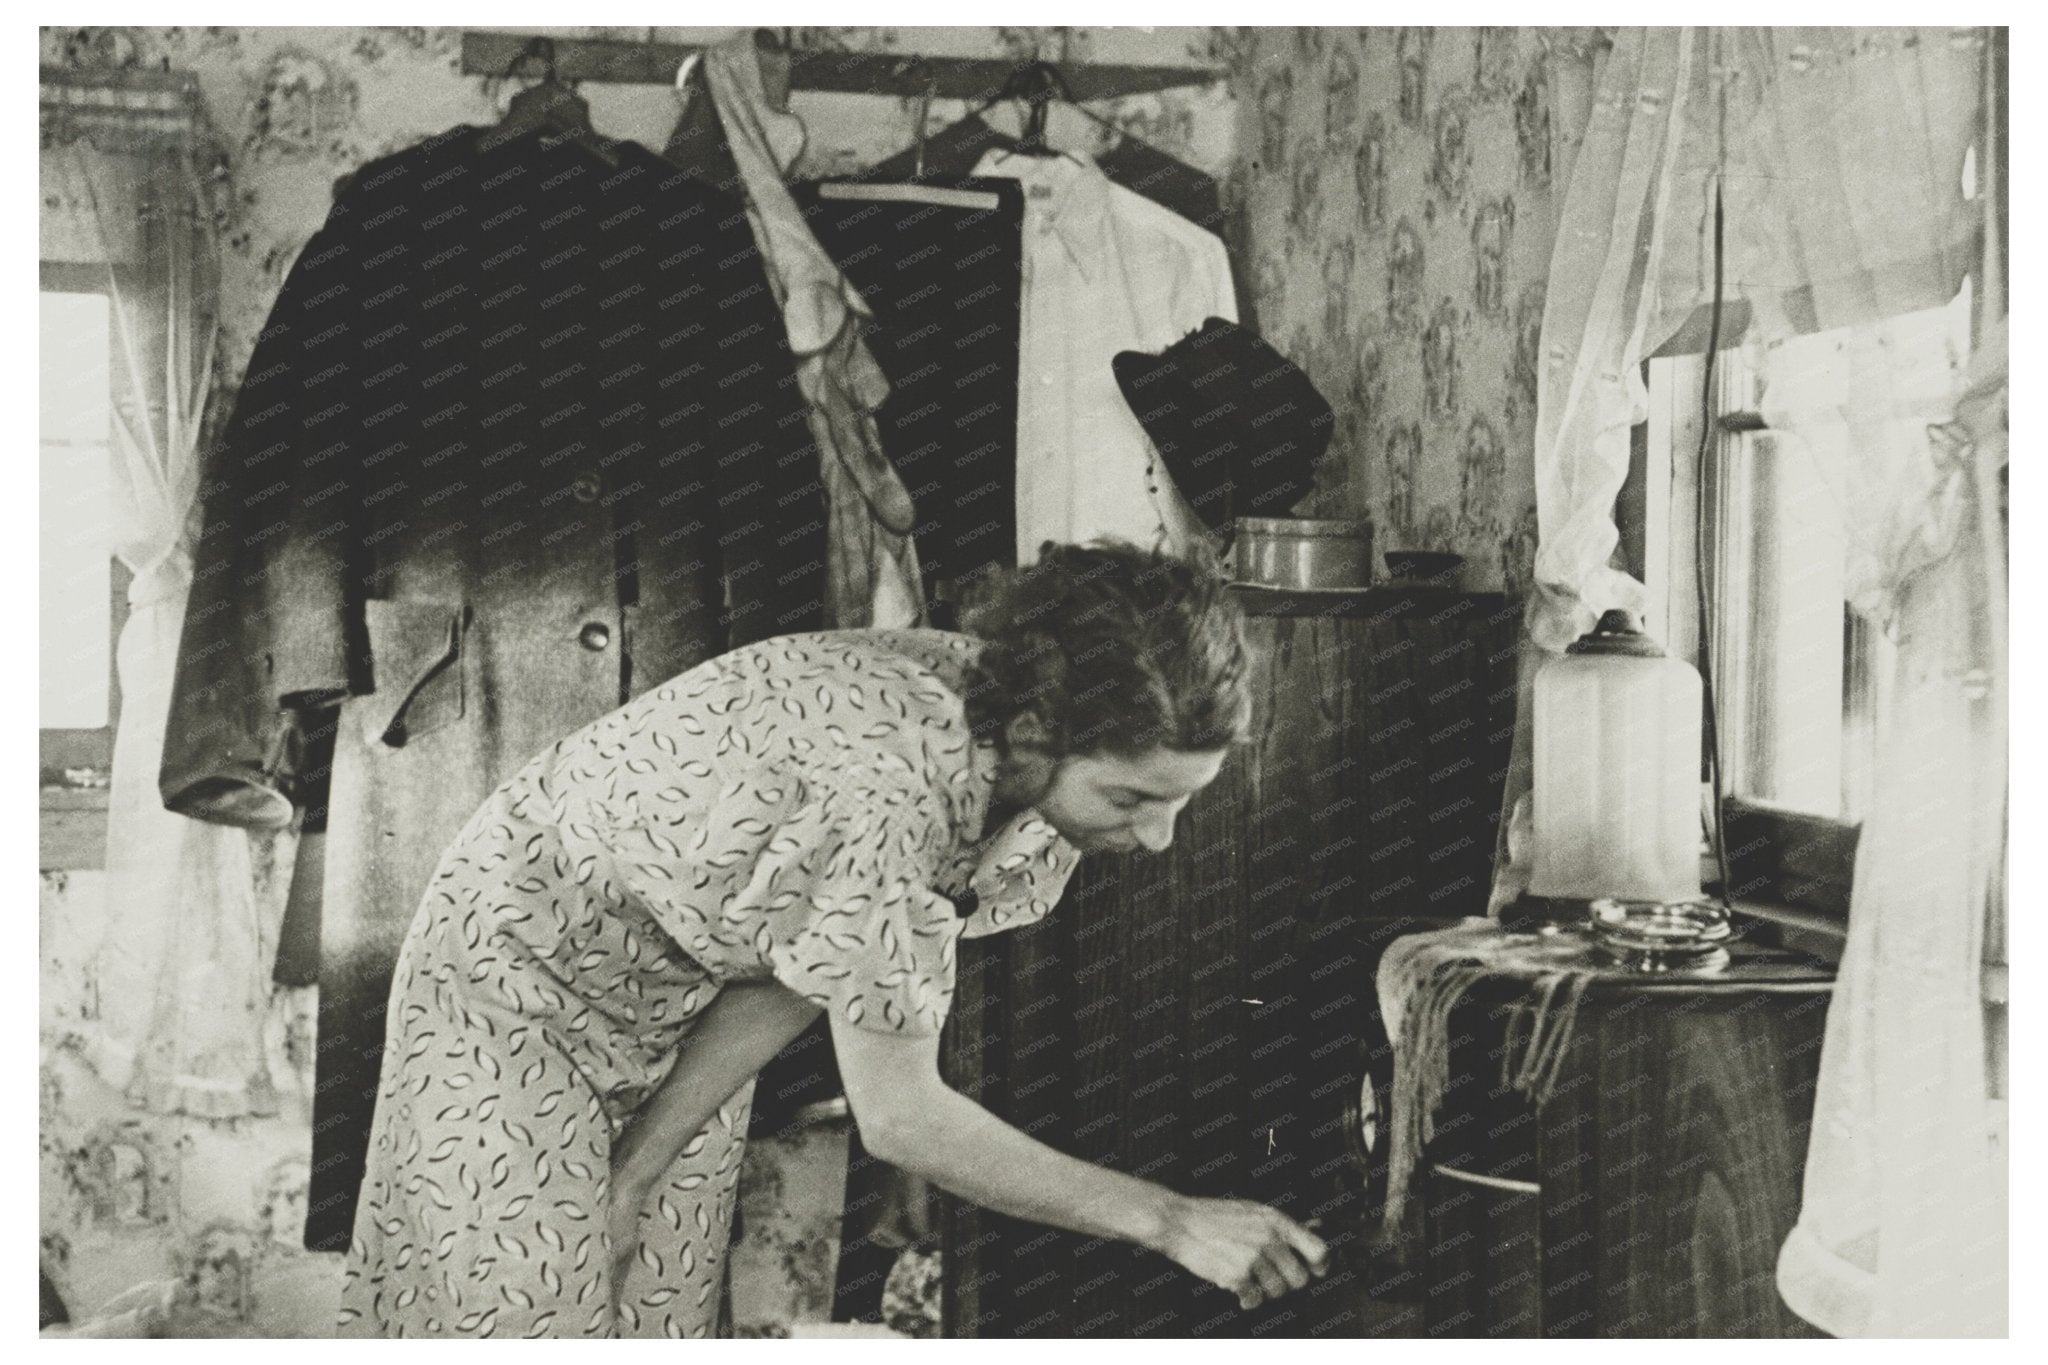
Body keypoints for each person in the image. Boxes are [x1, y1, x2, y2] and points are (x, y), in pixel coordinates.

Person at [336, 540, 1329, 1338]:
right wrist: (1170, 1219)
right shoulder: (892, 786)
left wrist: (635, 1169)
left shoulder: (1006, 730)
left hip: (682, 987)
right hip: (514, 968)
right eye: (1129, 799)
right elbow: (900, 1119)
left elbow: (800, 962)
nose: (1154, 839)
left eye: (1177, 805)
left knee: (649, 1311)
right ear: (1033, 737)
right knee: (523, 1316)